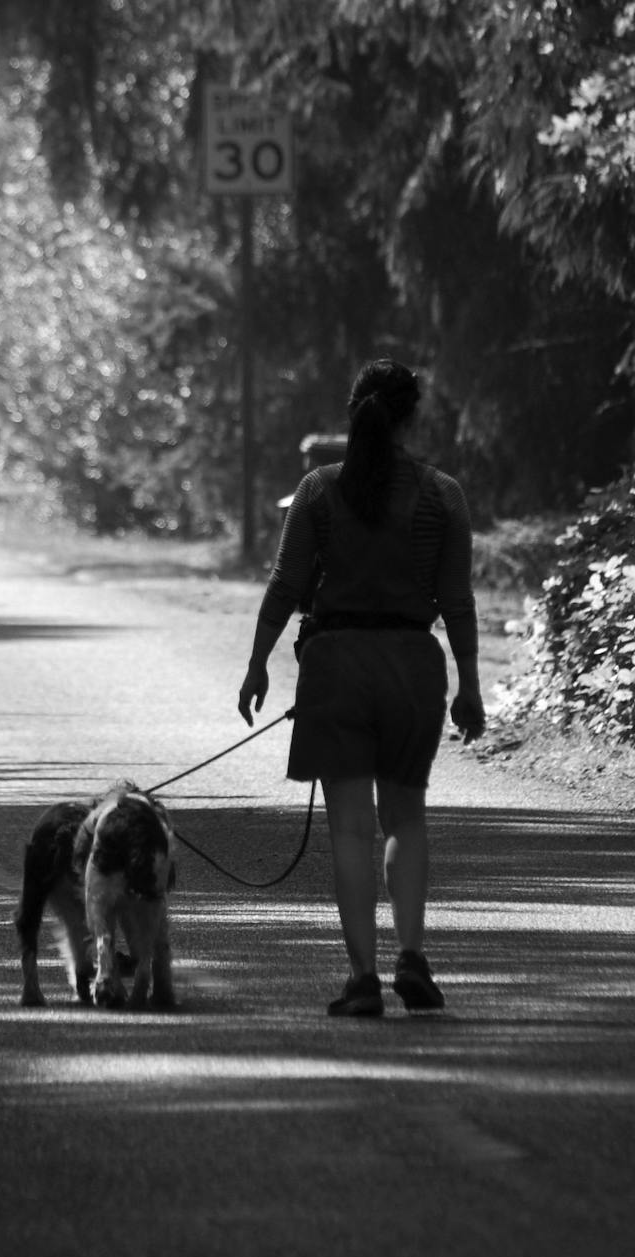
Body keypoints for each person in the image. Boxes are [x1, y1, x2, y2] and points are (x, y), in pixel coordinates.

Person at [238, 357, 485, 1017]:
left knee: (351, 830)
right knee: (406, 817)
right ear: (412, 418)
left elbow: (286, 585)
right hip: (412, 665)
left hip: (337, 665)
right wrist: (470, 686)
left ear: (354, 413)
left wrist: (258, 662)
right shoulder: (443, 495)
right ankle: (412, 955)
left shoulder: (319, 490)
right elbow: (456, 601)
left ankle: (364, 978)